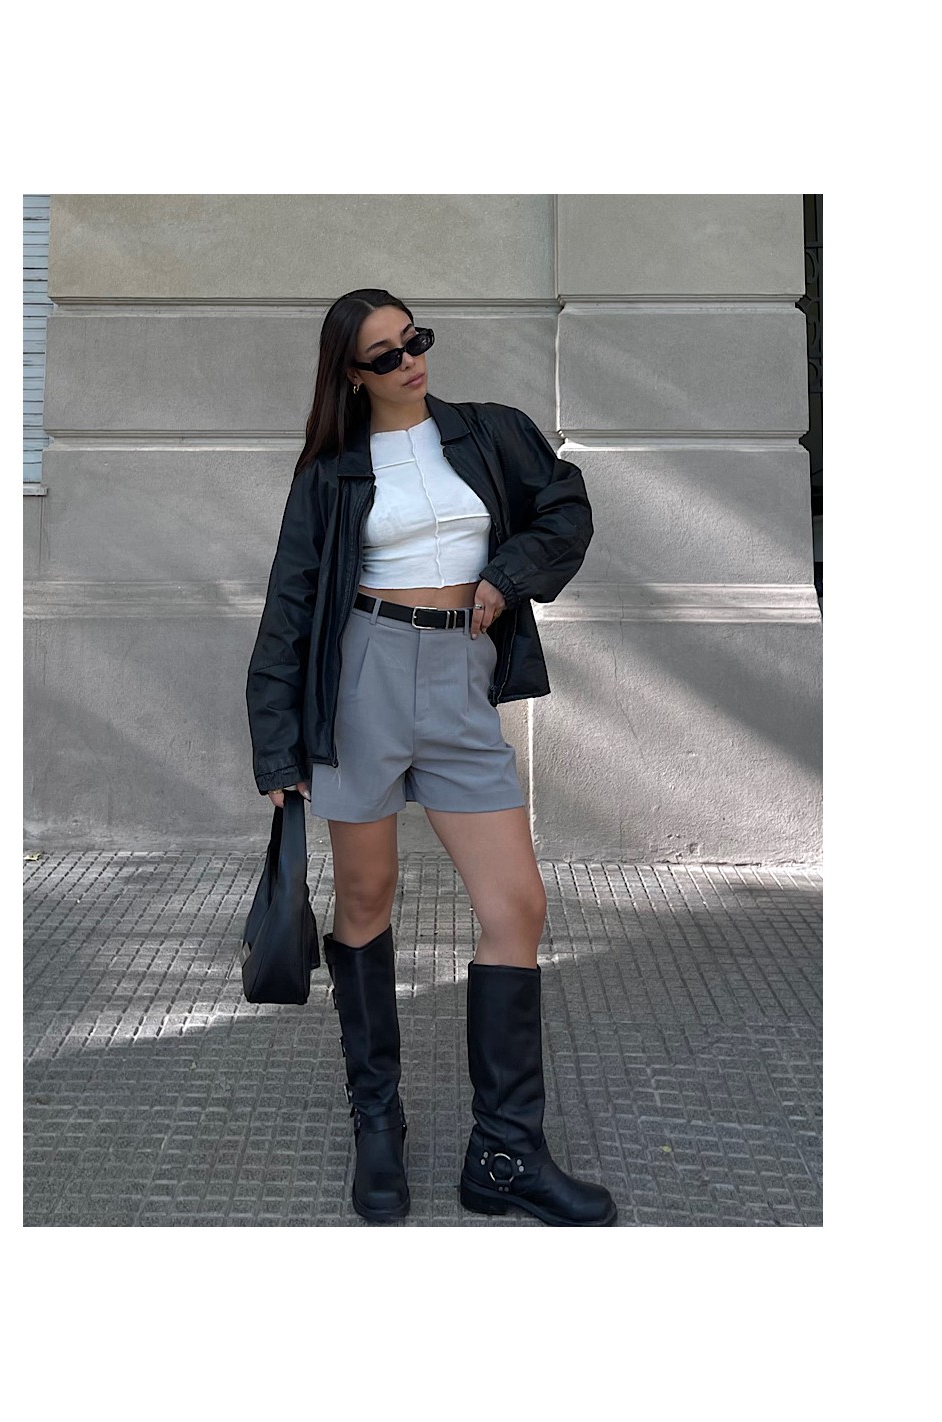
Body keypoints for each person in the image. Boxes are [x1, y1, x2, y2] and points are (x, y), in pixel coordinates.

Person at [246, 288, 618, 1227]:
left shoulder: (489, 432)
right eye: (385, 354)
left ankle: (505, 1153)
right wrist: (277, 745)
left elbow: (565, 509)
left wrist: (504, 579)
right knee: (367, 901)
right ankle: (378, 1123)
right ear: (351, 373)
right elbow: (291, 603)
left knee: (516, 906)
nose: (409, 360)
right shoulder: (332, 473)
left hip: (459, 676)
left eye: (415, 341)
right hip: (363, 678)